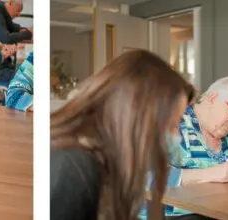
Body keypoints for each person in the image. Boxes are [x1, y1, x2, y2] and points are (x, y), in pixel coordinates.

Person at [50, 50, 195, 219]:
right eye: (172, 125)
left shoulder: (108, 165)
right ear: (139, 115)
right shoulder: (72, 169)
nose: (176, 136)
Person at [147, 77, 228, 219]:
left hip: (218, 212)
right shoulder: (174, 123)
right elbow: (146, 177)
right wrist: (210, 173)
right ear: (212, 98)